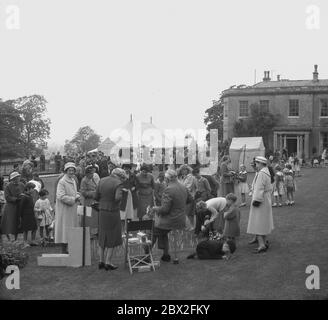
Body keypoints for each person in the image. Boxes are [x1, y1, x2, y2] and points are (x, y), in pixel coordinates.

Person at [149, 169, 192, 262]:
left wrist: (155, 208)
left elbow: (164, 210)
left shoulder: (169, 189)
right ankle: (165, 255)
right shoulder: (183, 186)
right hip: (181, 218)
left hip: (171, 219)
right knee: (162, 231)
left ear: (167, 179)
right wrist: (179, 206)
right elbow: (190, 199)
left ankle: (147, 255)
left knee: (153, 230)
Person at [95, 168, 126, 271]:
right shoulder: (118, 183)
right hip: (112, 211)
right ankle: (108, 262)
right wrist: (122, 195)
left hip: (102, 211)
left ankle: (101, 261)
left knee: (102, 235)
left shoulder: (102, 180)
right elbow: (117, 198)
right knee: (112, 236)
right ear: (120, 176)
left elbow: (96, 196)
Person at [247, 156, 274, 254]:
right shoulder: (265, 172)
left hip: (260, 200)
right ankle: (264, 242)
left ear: (261, 164)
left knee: (257, 221)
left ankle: (261, 245)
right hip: (265, 199)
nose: (256, 165)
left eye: (257, 163)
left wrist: (256, 200)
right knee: (263, 221)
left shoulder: (262, 173)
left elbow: (259, 188)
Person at [55, 162, 81, 253]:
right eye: (69, 170)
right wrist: (73, 199)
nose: (71, 172)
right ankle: (64, 249)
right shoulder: (62, 181)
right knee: (64, 228)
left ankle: (71, 248)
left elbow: (74, 192)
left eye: (73, 170)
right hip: (65, 209)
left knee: (72, 227)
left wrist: (77, 195)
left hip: (72, 209)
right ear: (66, 171)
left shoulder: (73, 180)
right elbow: (60, 196)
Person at [0, 172, 25, 242]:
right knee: (11, 222)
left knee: (19, 221)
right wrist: (15, 199)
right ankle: (11, 238)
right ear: (13, 179)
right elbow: (7, 197)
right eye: (17, 177)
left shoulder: (22, 184)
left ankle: (18, 237)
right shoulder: (8, 186)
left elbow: (25, 192)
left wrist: (23, 197)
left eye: (19, 177)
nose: (18, 178)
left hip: (20, 205)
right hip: (11, 207)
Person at [79, 165, 99, 237]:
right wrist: (93, 193)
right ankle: (88, 232)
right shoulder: (84, 180)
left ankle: (95, 231)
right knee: (88, 218)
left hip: (94, 201)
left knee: (94, 217)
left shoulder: (93, 179)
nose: (92, 175)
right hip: (88, 201)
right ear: (87, 173)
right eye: (91, 173)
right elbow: (83, 192)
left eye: (93, 173)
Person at [177, 164, 197, 231]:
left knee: (189, 213)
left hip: (190, 197)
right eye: (182, 170)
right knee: (188, 213)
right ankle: (190, 227)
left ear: (187, 170)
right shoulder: (182, 177)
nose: (183, 171)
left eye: (185, 169)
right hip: (184, 197)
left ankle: (191, 227)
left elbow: (188, 187)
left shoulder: (190, 177)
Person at [18, 182, 38, 247]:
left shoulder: (30, 196)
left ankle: (33, 240)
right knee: (25, 229)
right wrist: (20, 216)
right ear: (28, 189)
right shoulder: (24, 197)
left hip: (31, 214)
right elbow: (21, 207)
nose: (33, 190)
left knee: (34, 228)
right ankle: (25, 242)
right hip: (25, 215)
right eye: (32, 189)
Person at [120, 163, 138, 228]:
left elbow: (137, 185)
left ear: (129, 169)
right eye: (125, 168)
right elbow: (117, 185)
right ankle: (122, 229)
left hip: (131, 196)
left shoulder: (133, 175)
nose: (126, 169)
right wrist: (122, 189)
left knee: (129, 213)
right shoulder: (120, 175)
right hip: (122, 197)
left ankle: (128, 229)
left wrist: (134, 188)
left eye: (127, 168)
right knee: (122, 213)